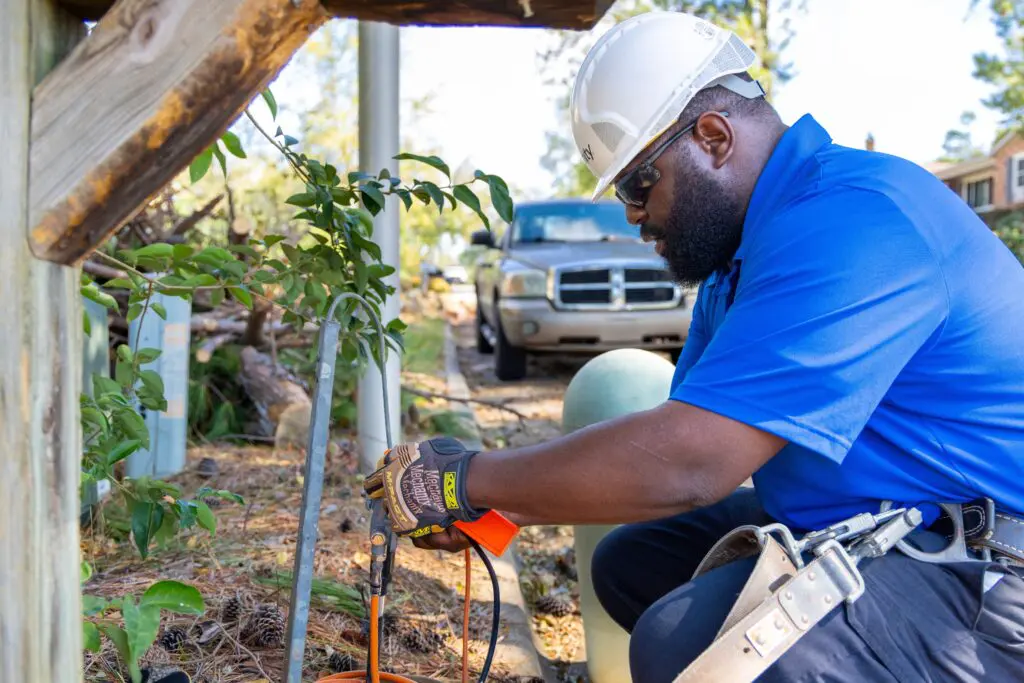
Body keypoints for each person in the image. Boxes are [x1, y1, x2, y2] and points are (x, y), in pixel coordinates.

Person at [365, 11, 1024, 682]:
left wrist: (465, 479)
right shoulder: (740, 262)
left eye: (636, 183)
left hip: (994, 571)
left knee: (689, 645)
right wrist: (496, 510)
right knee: (631, 562)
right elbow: (663, 449)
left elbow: (690, 465)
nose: (630, 212)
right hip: (896, 520)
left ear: (712, 136)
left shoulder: (856, 219)